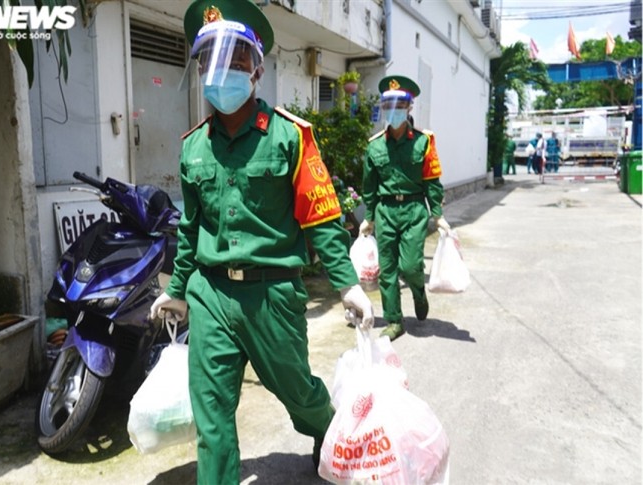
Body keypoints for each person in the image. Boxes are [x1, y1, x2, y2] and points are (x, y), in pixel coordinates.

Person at [148, 1, 375, 483]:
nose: (220, 72)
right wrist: (178, 289)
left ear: (257, 69)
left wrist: (347, 284)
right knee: (211, 416)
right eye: (209, 60)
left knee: (298, 392)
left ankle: (329, 431)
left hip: (272, 295)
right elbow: (190, 228)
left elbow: (321, 219)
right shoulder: (193, 146)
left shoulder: (291, 138)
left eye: (233, 59)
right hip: (210, 295)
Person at [358, 76, 451, 341]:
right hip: (386, 212)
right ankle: (394, 321)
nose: (394, 110)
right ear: (384, 108)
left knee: (410, 266)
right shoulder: (375, 145)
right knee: (387, 270)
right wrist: (370, 217)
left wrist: (437, 214)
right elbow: (369, 186)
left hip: (413, 210)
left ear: (409, 108)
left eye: (400, 104)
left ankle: (419, 293)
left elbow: (432, 180)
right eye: (389, 105)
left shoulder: (423, 142)